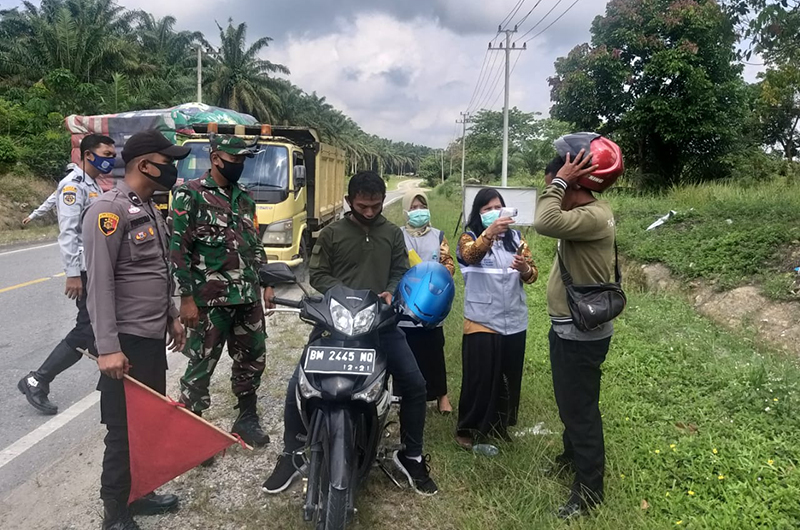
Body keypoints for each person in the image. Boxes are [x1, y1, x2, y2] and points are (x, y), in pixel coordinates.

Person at [262, 171, 438, 496]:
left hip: (381, 323)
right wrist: (341, 296)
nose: (369, 212)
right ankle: (291, 454)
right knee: (297, 385)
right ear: (349, 201)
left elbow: (401, 269)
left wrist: (388, 290)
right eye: (362, 206)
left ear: (383, 201)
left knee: (414, 384)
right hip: (334, 323)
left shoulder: (392, 234)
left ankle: (411, 456)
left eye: (375, 206)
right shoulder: (331, 233)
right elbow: (318, 274)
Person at [83, 129, 190, 530]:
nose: (173, 168)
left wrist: (171, 316)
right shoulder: (107, 211)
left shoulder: (149, 207)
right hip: (124, 343)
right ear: (146, 165)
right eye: (168, 160)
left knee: (148, 425)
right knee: (123, 430)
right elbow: (100, 283)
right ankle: (115, 512)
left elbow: (156, 271)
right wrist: (107, 347)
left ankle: (140, 493)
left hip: (149, 339)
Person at [533, 133, 624, 519]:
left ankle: (588, 492)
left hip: (578, 332)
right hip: (569, 327)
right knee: (571, 404)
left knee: (580, 411)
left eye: (554, 179)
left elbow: (543, 219)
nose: (548, 186)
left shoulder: (593, 216)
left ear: (574, 183)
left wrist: (561, 180)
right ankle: (571, 457)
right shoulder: (584, 216)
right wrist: (562, 181)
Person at [170, 133, 274, 449]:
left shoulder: (245, 198)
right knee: (201, 365)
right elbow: (178, 250)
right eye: (235, 160)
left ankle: (246, 418)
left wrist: (267, 282)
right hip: (209, 301)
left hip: (246, 297)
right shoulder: (191, 196)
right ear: (216, 158)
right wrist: (186, 299)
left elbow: (254, 244)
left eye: (243, 160)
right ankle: (193, 433)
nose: (240, 165)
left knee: (252, 358)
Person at [17, 136, 116, 414]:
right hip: (84, 269)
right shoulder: (73, 185)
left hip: (96, 267)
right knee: (88, 328)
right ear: (88, 154)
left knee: (96, 326)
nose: (111, 158)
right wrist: (73, 273)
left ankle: (109, 372)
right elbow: (69, 231)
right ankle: (37, 379)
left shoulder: (93, 183)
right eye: (106, 153)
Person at [455, 188, 538, 450]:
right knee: (479, 379)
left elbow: (533, 274)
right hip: (482, 318)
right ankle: (467, 429)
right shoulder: (468, 238)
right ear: (478, 214)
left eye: (496, 208)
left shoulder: (517, 239)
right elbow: (469, 256)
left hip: (513, 318)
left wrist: (525, 269)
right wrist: (489, 234)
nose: (492, 213)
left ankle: (498, 426)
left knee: (507, 377)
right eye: (486, 209)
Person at [399, 189, 455, 414]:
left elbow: (448, 264)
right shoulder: (397, 235)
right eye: (413, 208)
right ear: (405, 211)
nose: (418, 211)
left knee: (434, 351)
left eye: (422, 206)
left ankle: (442, 396)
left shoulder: (438, 236)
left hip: (432, 303)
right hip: (405, 301)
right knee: (405, 352)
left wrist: (439, 276)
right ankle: (404, 397)